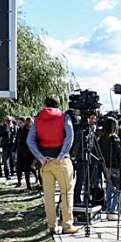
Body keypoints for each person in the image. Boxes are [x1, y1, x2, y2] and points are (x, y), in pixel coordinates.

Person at [27, 95, 78, 234]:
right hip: (61, 161)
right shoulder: (64, 117)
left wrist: (40, 157)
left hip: (45, 163)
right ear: (58, 104)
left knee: (48, 195)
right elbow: (70, 136)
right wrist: (61, 155)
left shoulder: (38, 119)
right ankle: (67, 225)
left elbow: (30, 140)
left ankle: (52, 225)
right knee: (66, 193)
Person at [98, 117, 121, 220]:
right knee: (118, 188)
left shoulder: (101, 138)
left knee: (109, 188)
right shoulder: (114, 138)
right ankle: (113, 210)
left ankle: (109, 209)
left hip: (106, 166)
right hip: (115, 166)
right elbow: (120, 154)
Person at [16, 117, 37, 188]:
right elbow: (18, 140)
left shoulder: (31, 130)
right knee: (20, 167)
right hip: (21, 151)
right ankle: (21, 182)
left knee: (28, 167)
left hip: (29, 151)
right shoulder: (21, 130)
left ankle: (30, 184)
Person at [0, 116, 18, 181]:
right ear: (5, 121)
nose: (9, 122)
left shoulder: (15, 127)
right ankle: (7, 175)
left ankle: (13, 172)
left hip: (13, 146)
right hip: (5, 146)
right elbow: (0, 134)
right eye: (7, 120)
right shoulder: (2, 127)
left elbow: (17, 135)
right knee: (6, 161)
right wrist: (6, 129)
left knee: (13, 160)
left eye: (10, 120)